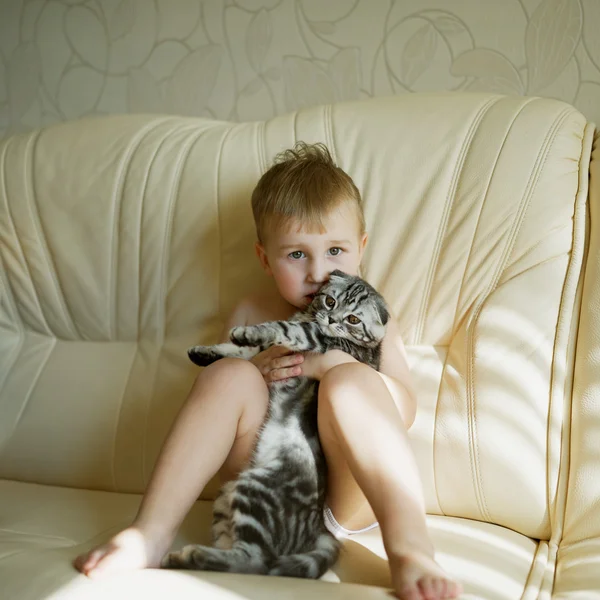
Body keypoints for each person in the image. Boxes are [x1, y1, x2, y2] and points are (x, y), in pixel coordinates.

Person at [73, 142, 461, 600]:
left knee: (353, 381)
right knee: (226, 375)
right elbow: (221, 406)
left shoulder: (372, 317)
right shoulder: (252, 310)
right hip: (267, 486)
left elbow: (406, 407)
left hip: (343, 495)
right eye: (296, 254)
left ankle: (410, 550)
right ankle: (151, 532)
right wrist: (254, 368)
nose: (318, 272)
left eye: (335, 250)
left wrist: (335, 365)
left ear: (360, 249)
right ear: (264, 258)